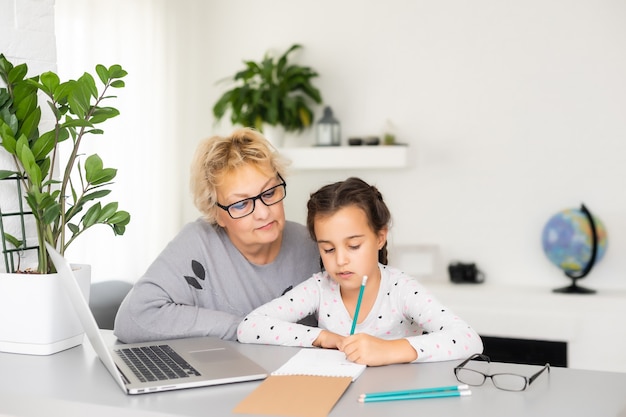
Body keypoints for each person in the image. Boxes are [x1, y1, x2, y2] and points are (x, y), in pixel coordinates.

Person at [237, 177, 483, 366]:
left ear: (380, 238)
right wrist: (324, 338)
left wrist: (388, 350)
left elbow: (468, 340)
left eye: (353, 246)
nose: (341, 260)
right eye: (328, 249)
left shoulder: (400, 289)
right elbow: (249, 326)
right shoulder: (320, 287)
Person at [114, 128, 320, 343]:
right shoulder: (197, 242)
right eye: (241, 204)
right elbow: (134, 318)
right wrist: (247, 330)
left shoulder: (315, 243)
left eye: (269, 193)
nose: (263, 213)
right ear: (216, 213)